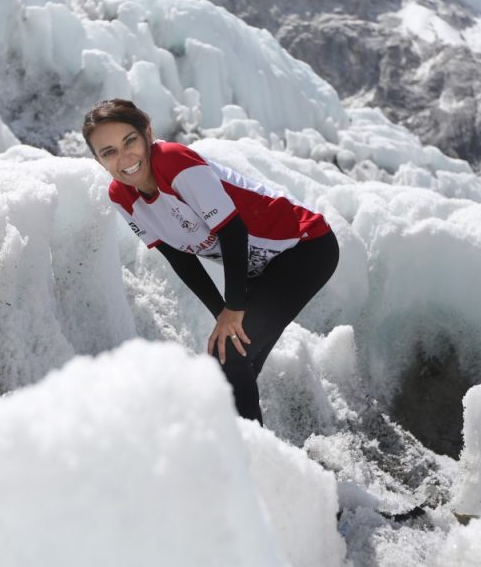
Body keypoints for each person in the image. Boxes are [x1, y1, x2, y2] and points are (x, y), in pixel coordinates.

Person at [83, 99, 340, 424]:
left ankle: (253, 461)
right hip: (260, 266)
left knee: (229, 355)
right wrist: (221, 312)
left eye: (129, 141)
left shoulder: (173, 160)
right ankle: (244, 452)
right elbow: (178, 257)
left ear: (147, 133)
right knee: (236, 364)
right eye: (108, 152)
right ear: (98, 160)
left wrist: (232, 310)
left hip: (305, 247)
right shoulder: (121, 196)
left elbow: (233, 232)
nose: (124, 157)